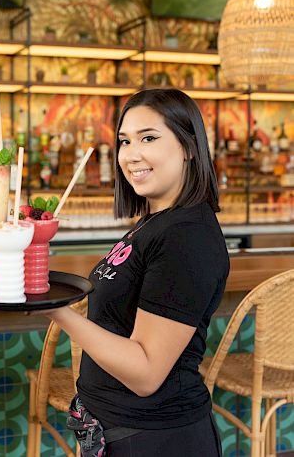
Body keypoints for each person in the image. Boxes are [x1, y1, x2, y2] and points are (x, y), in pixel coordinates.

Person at [44, 88, 229, 456]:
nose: (132, 154)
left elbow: (146, 373)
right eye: (125, 141)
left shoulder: (186, 236)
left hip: (156, 440)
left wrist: (54, 308)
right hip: (121, 432)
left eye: (149, 138)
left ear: (190, 146)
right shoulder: (156, 223)